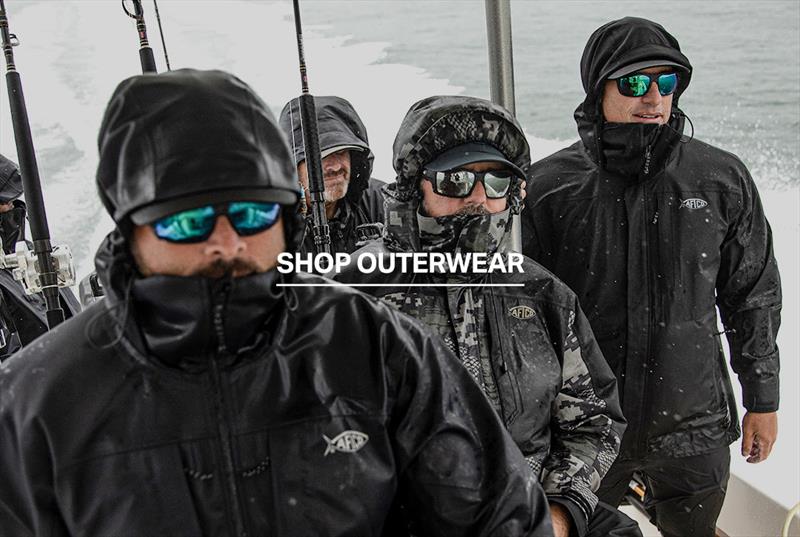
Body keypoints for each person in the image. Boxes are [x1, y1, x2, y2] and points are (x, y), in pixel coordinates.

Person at [0, 69, 555, 536]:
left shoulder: (375, 348)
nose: (226, 244)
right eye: (188, 221)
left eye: (251, 214)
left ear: (285, 217)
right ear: (131, 229)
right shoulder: (34, 405)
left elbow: (497, 516)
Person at [522, 17, 781, 537]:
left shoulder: (720, 178)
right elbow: (525, 318)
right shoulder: (548, 188)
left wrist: (763, 399)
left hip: (694, 427)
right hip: (588, 429)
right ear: (598, 89)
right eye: (635, 82)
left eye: (667, 82)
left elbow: (752, 295)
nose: (654, 97)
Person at [336, 95, 640, 537]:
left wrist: (557, 516)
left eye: (497, 181)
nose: (479, 197)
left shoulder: (544, 296)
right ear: (414, 185)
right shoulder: (350, 297)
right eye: (456, 180)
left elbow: (592, 421)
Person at [279, 95, 384, 254]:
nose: (335, 166)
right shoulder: (271, 221)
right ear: (293, 166)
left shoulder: (382, 203)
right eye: (321, 157)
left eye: (341, 152)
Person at [0, 153, 80, 359]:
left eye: (10, 200)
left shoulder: (32, 254)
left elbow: (74, 325)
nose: (9, 206)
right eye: (4, 201)